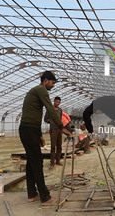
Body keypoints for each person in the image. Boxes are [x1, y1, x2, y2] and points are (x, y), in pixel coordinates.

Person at [19, 71, 70, 206]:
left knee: (31, 162)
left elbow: (33, 115)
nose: (53, 86)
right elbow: (50, 109)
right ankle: (45, 197)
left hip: (30, 130)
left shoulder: (36, 91)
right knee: (37, 162)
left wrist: (39, 135)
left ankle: (32, 194)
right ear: (46, 80)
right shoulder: (41, 90)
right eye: (52, 83)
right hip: (28, 130)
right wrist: (61, 126)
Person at [44, 96, 63, 170]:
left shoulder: (60, 110)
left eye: (59, 102)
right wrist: (52, 123)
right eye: (56, 102)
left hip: (59, 130)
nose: (58, 103)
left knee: (59, 146)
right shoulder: (50, 110)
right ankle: (52, 163)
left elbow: (60, 119)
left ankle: (58, 161)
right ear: (54, 101)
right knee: (53, 147)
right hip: (53, 130)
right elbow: (45, 119)